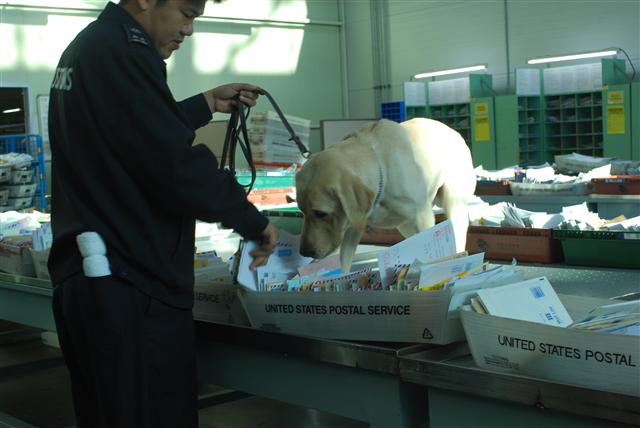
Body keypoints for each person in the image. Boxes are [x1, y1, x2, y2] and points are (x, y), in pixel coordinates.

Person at [47, 0, 278, 427]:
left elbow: (130, 131)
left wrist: (203, 103)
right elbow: (172, 163)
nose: (189, 29)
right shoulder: (126, 52)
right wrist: (252, 221)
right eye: (186, 13)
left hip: (93, 275)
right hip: (129, 282)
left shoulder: (87, 48)